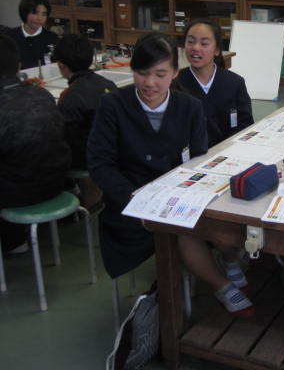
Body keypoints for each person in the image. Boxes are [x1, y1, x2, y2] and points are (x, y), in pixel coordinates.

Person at [87, 32, 254, 316]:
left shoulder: (189, 106)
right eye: (142, 73)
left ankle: (227, 263)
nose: (150, 83)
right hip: (129, 201)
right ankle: (222, 285)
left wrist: (186, 192)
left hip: (178, 191)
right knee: (179, 231)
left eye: (160, 74)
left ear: (175, 73)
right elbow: (100, 163)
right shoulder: (113, 105)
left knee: (219, 221)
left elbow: (198, 160)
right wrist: (136, 198)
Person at [0, 32, 70, 254]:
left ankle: (12, 242)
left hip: (18, 194)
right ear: (18, 65)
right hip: (58, 181)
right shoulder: (41, 94)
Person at [52, 34, 117, 209]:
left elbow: (66, 137)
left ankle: (76, 203)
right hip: (112, 149)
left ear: (61, 65)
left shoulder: (70, 96)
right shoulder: (108, 84)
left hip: (88, 157)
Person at [175, 19, 253, 148]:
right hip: (191, 155)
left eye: (204, 43)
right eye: (190, 42)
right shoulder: (175, 85)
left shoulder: (235, 83)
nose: (195, 48)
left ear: (217, 50)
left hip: (229, 152)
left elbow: (245, 125)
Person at [8, 0, 59, 69]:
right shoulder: (9, 37)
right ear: (25, 13)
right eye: (35, 13)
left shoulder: (53, 38)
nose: (40, 18)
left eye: (44, 14)